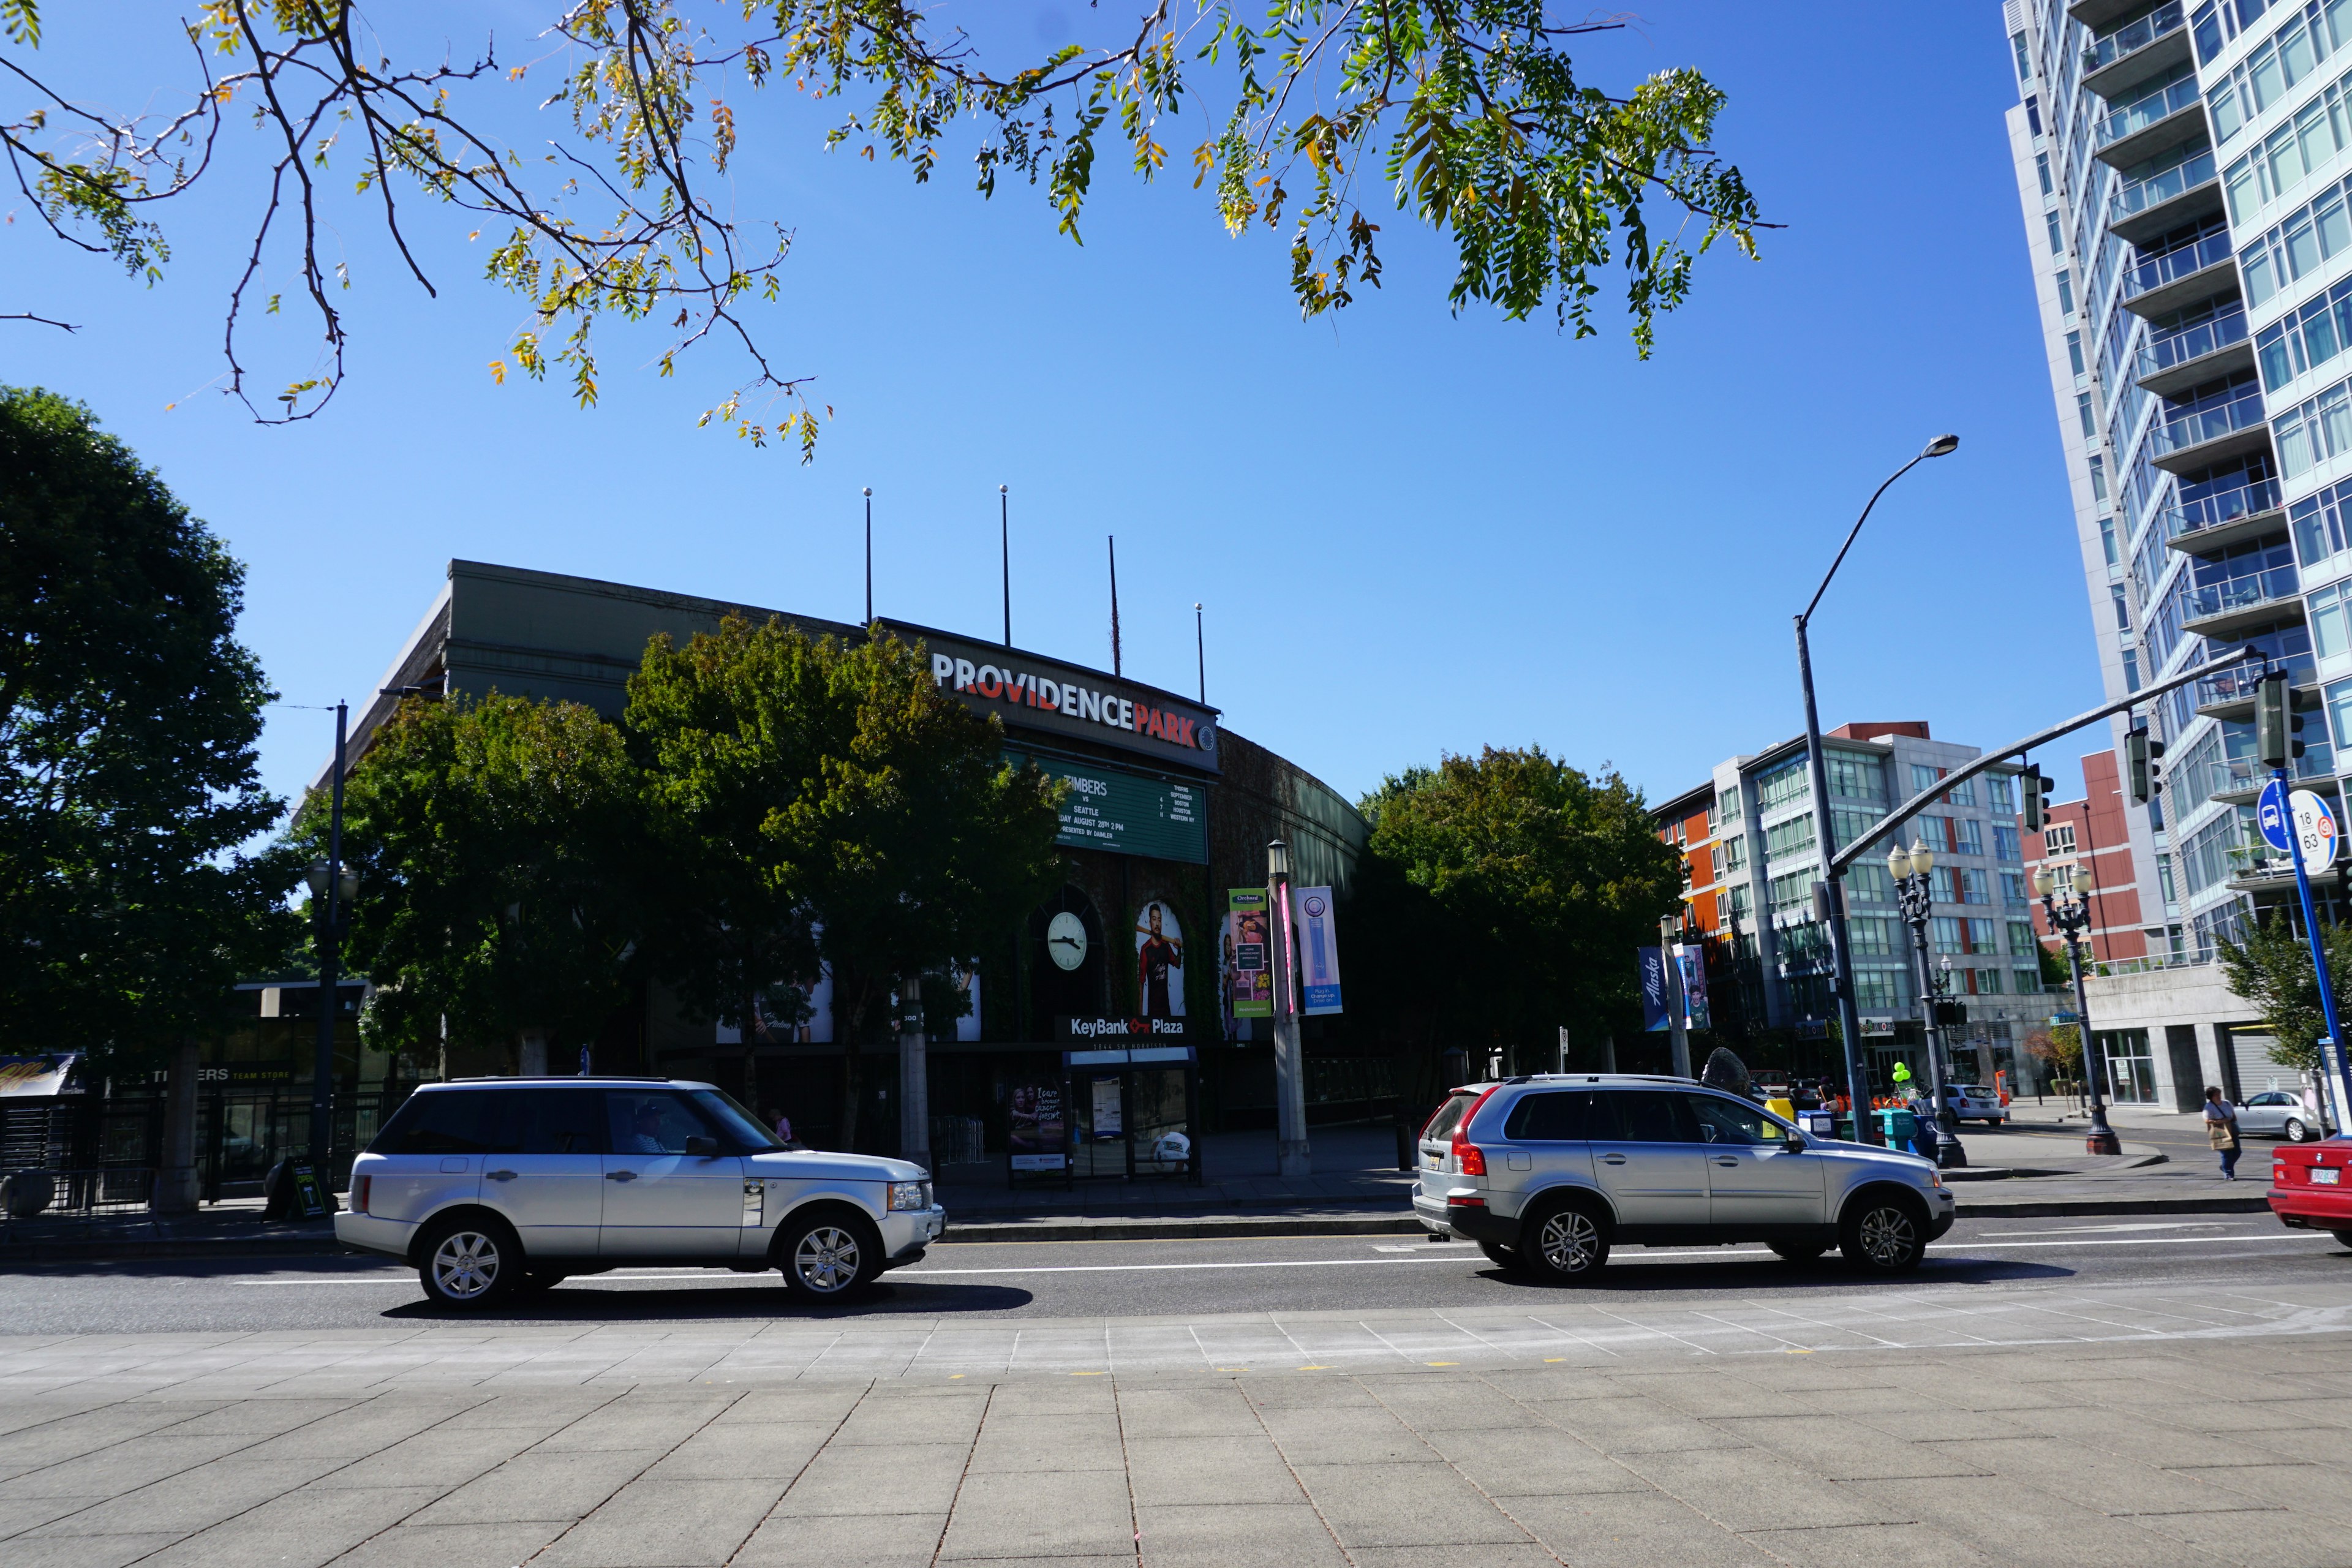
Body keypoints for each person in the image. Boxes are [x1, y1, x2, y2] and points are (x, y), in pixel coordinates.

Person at [2204, 1086, 2242, 1180]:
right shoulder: (2209, 1107)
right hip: (2220, 1131)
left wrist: (2235, 1125)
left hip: (2231, 1129)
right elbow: (2207, 1120)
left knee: (2237, 1152)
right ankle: (2229, 1174)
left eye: (2219, 1094)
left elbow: (2233, 1115)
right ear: (2211, 1097)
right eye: (2216, 1095)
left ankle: (2225, 1167)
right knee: (2226, 1154)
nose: (2219, 1096)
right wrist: (2220, 1121)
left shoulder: (2226, 1103)